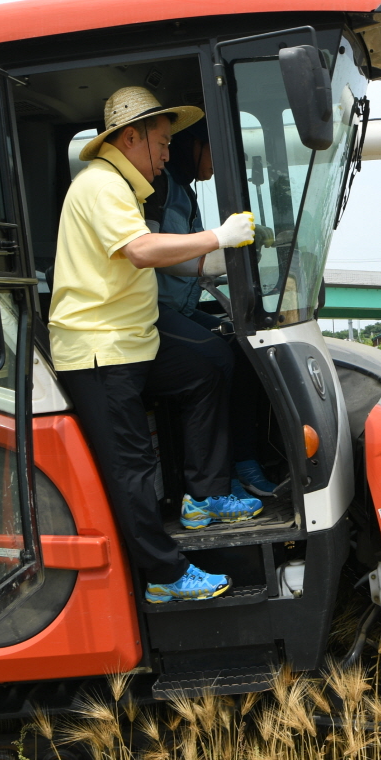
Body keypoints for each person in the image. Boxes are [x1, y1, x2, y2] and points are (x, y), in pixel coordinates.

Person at [48, 86, 259, 603]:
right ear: (130, 137)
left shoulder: (123, 187)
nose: (169, 152)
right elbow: (142, 251)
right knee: (132, 468)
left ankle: (204, 498)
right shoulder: (101, 185)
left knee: (207, 368)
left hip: (132, 339)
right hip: (100, 350)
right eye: (163, 142)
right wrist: (218, 237)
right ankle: (164, 576)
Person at [144, 121, 281, 499]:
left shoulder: (182, 190)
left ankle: (244, 460)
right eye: (215, 153)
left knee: (243, 346)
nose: (217, 167)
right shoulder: (157, 186)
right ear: (196, 145)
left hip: (182, 305)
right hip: (153, 309)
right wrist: (220, 260)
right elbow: (159, 255)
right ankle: (217, 484)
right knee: (217, 359)